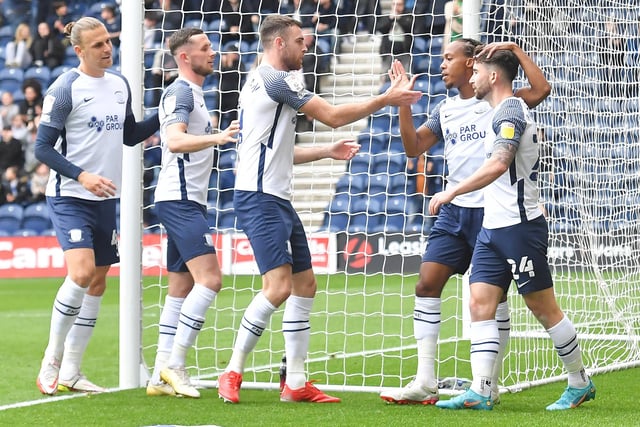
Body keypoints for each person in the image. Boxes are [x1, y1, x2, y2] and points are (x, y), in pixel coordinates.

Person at [216, 14, 422, 405]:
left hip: (275, 196)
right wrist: (385, 98)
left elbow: (280, 151)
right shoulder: (274, 80)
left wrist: (327, 151)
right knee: (277, 288)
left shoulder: (271, 82)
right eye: (298, 41)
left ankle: (295, 382)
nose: (306, 46)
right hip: (258, 197)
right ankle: (232, 370)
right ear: (279, 44)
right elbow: (331, 116)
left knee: (305, 285)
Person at [378, 39, 551, 405]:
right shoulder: (445, 110)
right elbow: (413, 148)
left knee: (492, 301)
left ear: (471, 63)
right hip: (454, 212)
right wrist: (403, 106)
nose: (442, 65)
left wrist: (517, 51)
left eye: (448, 58)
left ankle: (487, 384)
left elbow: (541, 90)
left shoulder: (501, 100)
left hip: (493, 210)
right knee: (426, 284)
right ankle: (425, 379)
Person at [429, 46, 595, 411]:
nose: (471, 77)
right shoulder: (499, 110)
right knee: (480, 303)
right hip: (494, 227)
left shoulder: (510, 111)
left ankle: (579, 380)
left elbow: (500, 163)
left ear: (493, 76)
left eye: (477, 72)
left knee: (543, 309)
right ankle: (482, 389)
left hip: (519, 227)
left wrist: (453, 190)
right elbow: (541, 91)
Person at [34, 17, 160, 395]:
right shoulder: (64, 90)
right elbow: (41, 148)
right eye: (98, 45)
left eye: (109, 41)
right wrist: (82, 175)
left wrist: (165, 114)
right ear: (79, 51)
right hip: (70, 196)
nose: (108, 49)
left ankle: (72, 370)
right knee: (82, 272)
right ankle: (52, 359)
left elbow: (131, 135)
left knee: (98, 283)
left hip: (106, 198)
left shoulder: (120, 85)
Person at [145, 27, 240, 399]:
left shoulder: (197, 93)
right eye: (204, 48)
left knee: (181, 289)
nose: (212, 53)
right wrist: (217, 138)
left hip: (188, 199)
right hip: (179, 199)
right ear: (185, 56)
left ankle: (158, 375)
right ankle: (176, 364)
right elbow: (174, 139)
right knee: (211, 279)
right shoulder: (181, 91)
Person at [375, 0, 414, 80]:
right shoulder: (387, 17)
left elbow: (410, 28)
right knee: (385, 78)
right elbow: (380, 28)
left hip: (404, 53)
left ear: (403, 5)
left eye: (399, 5)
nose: (396, 7)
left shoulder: (408, 16)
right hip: (388, 54)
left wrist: (399, 18)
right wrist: (390, 19)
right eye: (394, 4)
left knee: (405, 78)